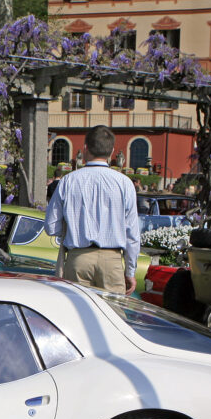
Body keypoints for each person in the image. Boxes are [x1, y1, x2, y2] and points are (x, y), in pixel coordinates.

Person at [45, 125, 140, 295]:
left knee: (76, 314)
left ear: (85, 148)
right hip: (112, 260)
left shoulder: (68, 181)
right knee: (113, 316)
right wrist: (130, 271)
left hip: (78, 257)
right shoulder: (124, 183)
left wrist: (71, 229)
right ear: (111, 151)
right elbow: (132, 233)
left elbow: (51, 226)